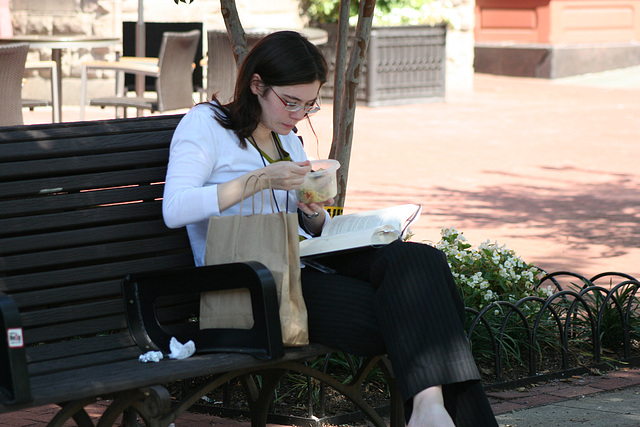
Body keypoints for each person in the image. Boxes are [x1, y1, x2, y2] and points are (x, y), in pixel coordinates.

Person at [162, 30, 498, 427]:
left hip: (303, 264)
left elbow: (310, 227)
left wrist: (313, 214)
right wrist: (259, 180)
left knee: (422, 260)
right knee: (424, 311)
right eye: (290, 102)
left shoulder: (288, 139)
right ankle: (430, 411)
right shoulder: (206, 124)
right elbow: (175, 208)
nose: (297, 114)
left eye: (308, 105)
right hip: (253, 282)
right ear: (256, 85)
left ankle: (429, 410)